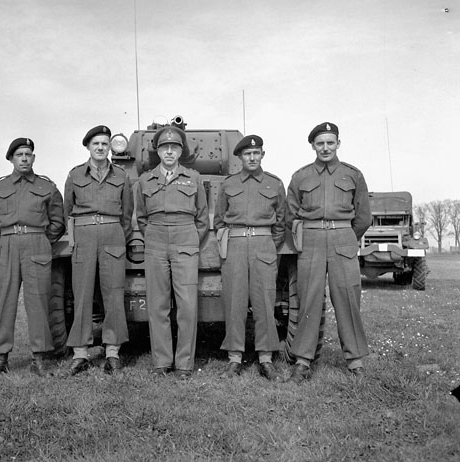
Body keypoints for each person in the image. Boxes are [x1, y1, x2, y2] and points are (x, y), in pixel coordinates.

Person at [286, 122, 371, 384]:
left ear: (338, 144)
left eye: (330, 142)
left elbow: (364, 216)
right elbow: (291, 215)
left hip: (342, 239)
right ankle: (302, 361)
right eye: (320, 143)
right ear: (313, 145)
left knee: (347, 297)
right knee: (308, 299)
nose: (325, 148)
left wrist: (345, 236)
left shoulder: (352, 174)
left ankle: (355, 360)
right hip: (310, 240)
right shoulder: (301, 176)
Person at [0, 137, 65, 377]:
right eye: (20, 155)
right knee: (3, 302)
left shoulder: (47, 186)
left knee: (38, 303)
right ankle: (1, 358)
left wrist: (39, 239)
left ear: (34, 158)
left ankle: (39, 358)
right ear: (11, 159)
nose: (25, 158)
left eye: (28, 154)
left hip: (37, 244)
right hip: (7, 246)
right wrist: (0, 245)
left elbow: (57, 221)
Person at [136, 125, 209, 379]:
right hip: (155, 239)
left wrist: (189, 240)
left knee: (187, 304)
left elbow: (202, 217)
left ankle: (185, 364)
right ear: (158, 151)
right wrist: (154, 238)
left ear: (180, 151)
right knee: (158, 303)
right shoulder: (146, 179)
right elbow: (142, 217)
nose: (169, 151)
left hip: (185, 238)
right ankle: (162, 362)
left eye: (174, 147)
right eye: (165, 147)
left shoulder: (194, 178)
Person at [214, 134, 286, 380]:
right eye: (247, 154)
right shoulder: (228, 184)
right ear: (240, 157)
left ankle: (265, 358)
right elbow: (219, 219)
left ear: (262, 155)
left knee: (265, 303)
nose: (252, 157)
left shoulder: (274, 184)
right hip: (234, 246)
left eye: (256, 153)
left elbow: (281, 222)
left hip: (263, 246)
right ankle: (234, 358)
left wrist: (266, 244)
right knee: (234, 302)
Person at [64, 125, 133, 376]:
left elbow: (127, 214)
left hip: (113, 235)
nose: (101, 148)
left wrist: (114, 234)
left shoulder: (122, 176)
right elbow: (67, 210)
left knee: (113, 294)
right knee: (81, 294)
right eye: (96, 144)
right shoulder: (74, 175)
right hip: (83, 236)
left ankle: (112, 351)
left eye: (105, 144)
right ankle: (80, 353)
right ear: (88, 147)